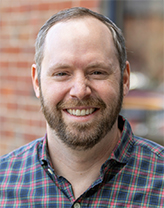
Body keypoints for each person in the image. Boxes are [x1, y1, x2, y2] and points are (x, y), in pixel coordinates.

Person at [0, 7, 163, 207]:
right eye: (62, 73)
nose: (80, 90)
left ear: (125, 79)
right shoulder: (4, 181)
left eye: (97, 72)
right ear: (36, 82)